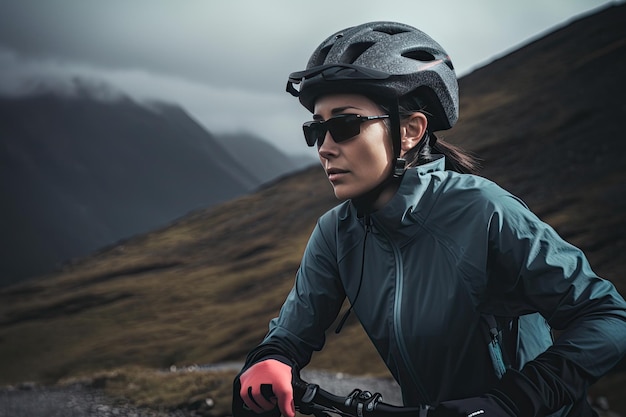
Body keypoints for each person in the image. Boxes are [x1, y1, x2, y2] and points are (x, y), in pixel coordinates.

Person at [231, 21, 626, 417]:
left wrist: (514, 401)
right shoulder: (336, 232)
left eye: (345, 125)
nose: (326, 149)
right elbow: (289, 333)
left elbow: (608, 316)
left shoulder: (483, 210)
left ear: (410, 130)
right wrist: (271, 358)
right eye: (316, 130)